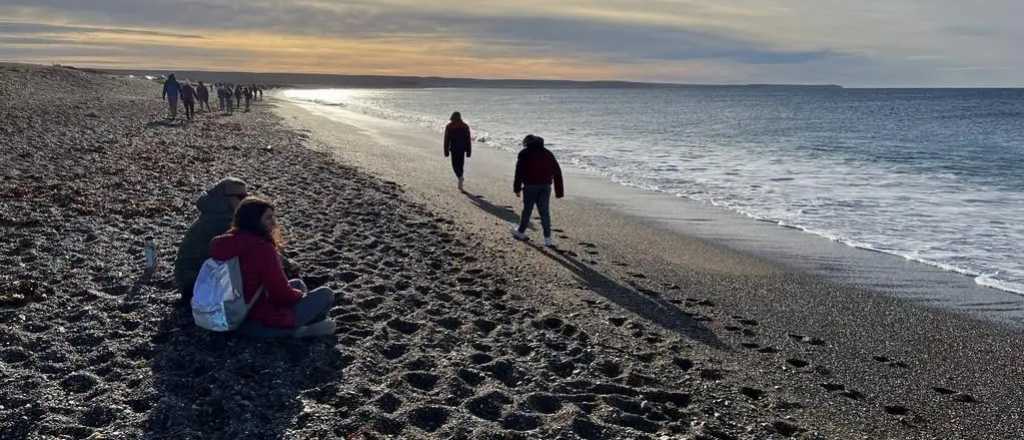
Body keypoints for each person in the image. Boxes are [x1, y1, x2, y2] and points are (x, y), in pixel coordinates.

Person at [208, 197, 336, 337]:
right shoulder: (262, 249)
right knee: (326, 294)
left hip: (226, 311)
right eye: (268, 218)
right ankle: (295, 331)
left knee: (298, 284)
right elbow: (280, 292)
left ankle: (299, 328)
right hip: (253, 317)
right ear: (254, 220)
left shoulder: (221, 242)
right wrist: (302, 297)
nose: (274, 223)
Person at [174, 178, 249, 302]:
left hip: (193, 278)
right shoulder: (220, 221)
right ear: (224, 197)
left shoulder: (216, 213)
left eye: (246, 196)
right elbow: (250, 245)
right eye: (240, 197)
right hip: (195, 282)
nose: (245, 201)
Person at [512, 135, 564, 247]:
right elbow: (557, 171)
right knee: (544, 212)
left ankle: (520, 232)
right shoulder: (548, 153)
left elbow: (519, 173)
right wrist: (559, 191)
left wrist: (517, 188)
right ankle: (547, 239)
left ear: (527, 143)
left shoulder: (524, 153)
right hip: (546, 186)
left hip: (530, 186)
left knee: (527, 210)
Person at [443, 111, 472, 190]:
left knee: (455, 165)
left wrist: (446, 151)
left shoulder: (449, 126)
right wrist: (469, 151)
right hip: (462, 149)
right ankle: (460, 179)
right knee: (460, 165)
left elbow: (446, 140)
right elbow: (468, 140)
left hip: (454, 149)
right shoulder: (465, 126)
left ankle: (460, 177)